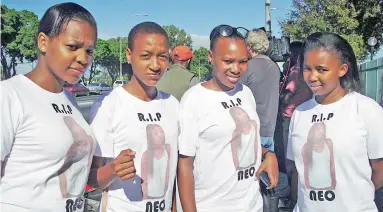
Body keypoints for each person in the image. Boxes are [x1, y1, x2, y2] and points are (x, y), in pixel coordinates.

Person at [0, 2, 97, 211]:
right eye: (73, 46)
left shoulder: (68, 99)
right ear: (43, 42)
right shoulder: (9, 95)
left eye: (89, 50)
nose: (83, 59)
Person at [177, 24, 279, 212]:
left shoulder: (245, 92)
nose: (236, 69)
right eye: (228, 61)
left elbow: (249, 141)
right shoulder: (194, 100)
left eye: (242, 61)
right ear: (210, 57)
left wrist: (268, 154)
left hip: (252, 205)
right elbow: (184, 166)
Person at [87, 22, 179, 212]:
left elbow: (175, 171)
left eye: (162, 57)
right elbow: (90, 178)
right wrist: (113, 169)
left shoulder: (173, 104)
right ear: (129, 55)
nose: (155, 65)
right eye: (146, 56)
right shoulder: (108, 104)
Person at [286, 32, 383, 212]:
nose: (312, 76)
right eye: (307, 68)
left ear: (342, 69)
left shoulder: (367, 110)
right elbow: (297, 173)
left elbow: (379, 171)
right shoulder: (299, 113)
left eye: (322, 69)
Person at [240, 29, 280, 152]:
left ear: (249, 47)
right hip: (270, 130)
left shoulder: (247, 67)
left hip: (252, 131)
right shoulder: (275, 67)